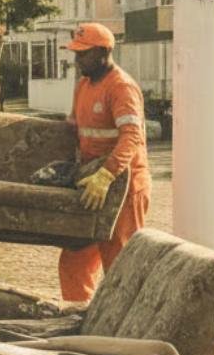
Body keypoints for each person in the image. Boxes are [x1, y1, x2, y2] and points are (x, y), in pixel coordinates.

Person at [58, 22, 151, 302]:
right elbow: (73, 128)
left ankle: (121, 332)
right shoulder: (84, 85)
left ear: (103, 53)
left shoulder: (121, 87)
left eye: (83, 54)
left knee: (120, 265)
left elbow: (131, 136)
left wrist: (107, 174)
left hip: (123, 186)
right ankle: (77, 317)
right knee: (75, 260)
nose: (77, 60)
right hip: (91, 183)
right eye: (76, 53)